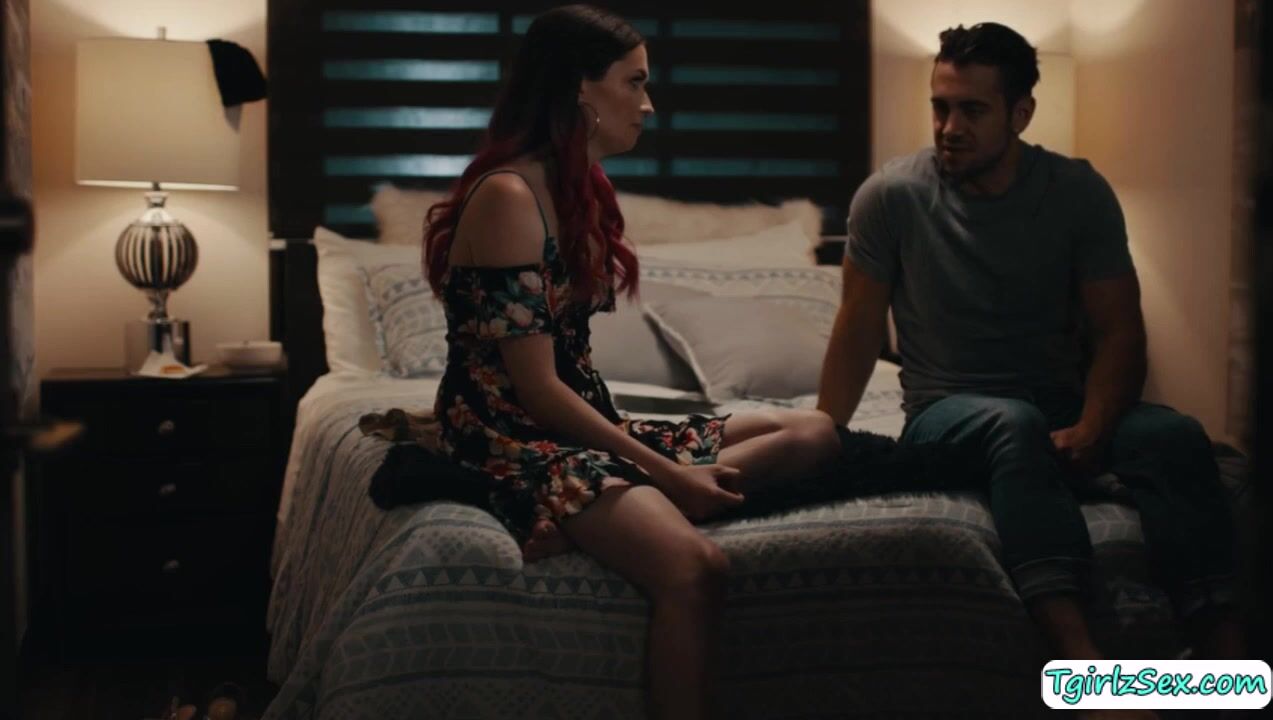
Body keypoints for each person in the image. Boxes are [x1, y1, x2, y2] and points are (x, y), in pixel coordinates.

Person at [422, 6, 841, 718]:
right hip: (512, 435)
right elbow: (538, 391)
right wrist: (669, 473)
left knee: (816, 432)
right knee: (696, 568)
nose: (648, 105)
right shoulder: (508, 196)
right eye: (635, 83)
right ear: (578, 89)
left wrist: (649, 465)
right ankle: (614, 501)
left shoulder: (579, 187)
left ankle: (614, 507)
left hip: (583, 422)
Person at [817, 19, 1243, 702]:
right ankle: (1083, 668)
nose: (949, 127)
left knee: (1174, 434)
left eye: (971, 110)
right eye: (939, 107)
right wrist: (824, 436)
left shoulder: (1077, 193)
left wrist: (1093, 427)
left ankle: (1223, 663)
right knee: (1011, 423)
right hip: (946, 413)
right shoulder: (890, 196)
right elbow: (857, 330)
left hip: (1059, 403)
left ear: (1021, 113)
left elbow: (1119, 332)